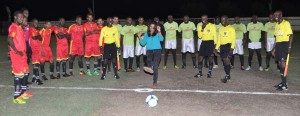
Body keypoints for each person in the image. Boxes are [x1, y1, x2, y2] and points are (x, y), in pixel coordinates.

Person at [8, 11, 32, 104]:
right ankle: (16, 96)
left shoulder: (20, 28)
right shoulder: (14, 27)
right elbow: (10, 39)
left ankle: (22, 92)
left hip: (23, 55)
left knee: (25, 72)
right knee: (19, 75)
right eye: (20, 17)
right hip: (17, 55)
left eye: (22, 17)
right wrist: (16, 51)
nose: (22, 19)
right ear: (15, 17)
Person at [138, 22, 164, 89]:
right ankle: (150, 67)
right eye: (150, 27)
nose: (152, 28)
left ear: (155, 28)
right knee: (149, 62)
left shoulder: (157, 33)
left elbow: (162, 39)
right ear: (149, 27)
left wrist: (159, 31)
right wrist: (139, 37)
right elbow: (143, 43)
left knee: (155, 67)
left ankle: (154, 82)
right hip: (149, 51)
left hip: (157, 51)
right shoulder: (146, 34)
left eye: (153, 27)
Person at [273, 10, 293, 90]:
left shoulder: (286, 23)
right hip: (278, 45)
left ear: (281, 15)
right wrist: (273, 48)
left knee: (283, 64)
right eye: (275, 15)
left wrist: (289, 47)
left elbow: (291, 36)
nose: (276, 16)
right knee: (279, 64)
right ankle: (283, 82)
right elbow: (276, 38)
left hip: (284, 44)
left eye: (277, 15)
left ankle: (285, 85)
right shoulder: (276, 25)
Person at [215, 16, 236, 83]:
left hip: (228, 46)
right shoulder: (220, 29)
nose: (222, 21)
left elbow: (233, 40)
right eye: (221, 20)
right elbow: (219, 40)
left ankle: (227, 76)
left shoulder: (231, 28)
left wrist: (231, 49)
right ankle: (228, 76)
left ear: (227, 20)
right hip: (222, 47)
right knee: (224, 62)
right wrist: (216, 48)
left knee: (227, 61)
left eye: (224, 20)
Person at [30, 19, 44, 85]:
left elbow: (41, 38)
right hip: (34, 49)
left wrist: (38, 36)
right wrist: (38, 36)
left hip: (38, 49)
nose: (36, 23)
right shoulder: (31, 29)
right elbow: (34, 37)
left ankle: (34, 77)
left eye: (37, 22)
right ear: (32, 23)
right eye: (35, 22)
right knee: (36, 64)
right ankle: (37, 79)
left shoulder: (37, 30)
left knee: (37, 63)